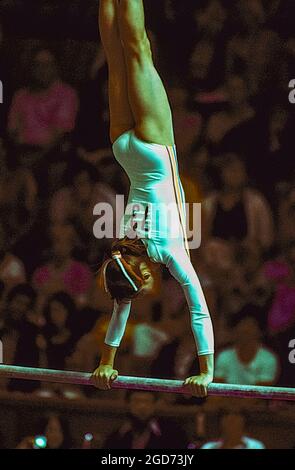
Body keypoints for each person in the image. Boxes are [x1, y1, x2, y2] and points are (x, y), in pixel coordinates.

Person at [92, 0, 214, 398]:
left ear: (143, 275)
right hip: (123, 150)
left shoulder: (170, 253)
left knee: (138, 47)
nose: (147, 289)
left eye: (143, 286)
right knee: (115, 55)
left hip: (154, 150)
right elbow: (119, 308)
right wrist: (105, 363)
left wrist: (206, 371)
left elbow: (198, 308)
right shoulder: (121, 249)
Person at [103, 390, 188, 449]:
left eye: (147, 402)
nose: (142, 407)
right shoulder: (116, 437)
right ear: (128, 404)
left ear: (155, 404)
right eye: (137, 401)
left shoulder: (172, 434)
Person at [201, 410, 266, 449]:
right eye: (227, 414)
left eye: (236, 414)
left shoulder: (256, 446)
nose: (231, 417)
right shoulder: (208, 447)